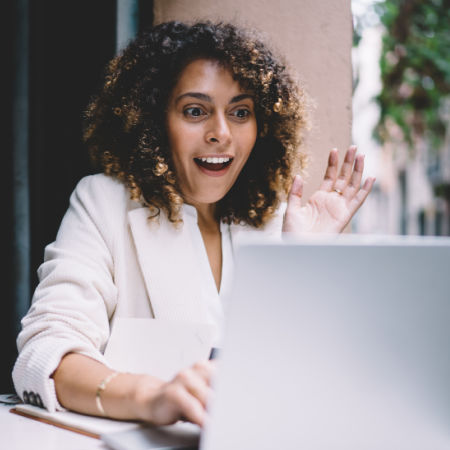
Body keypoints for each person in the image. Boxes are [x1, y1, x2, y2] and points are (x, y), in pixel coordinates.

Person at [12, 21, 374, 427]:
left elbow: (304, 379)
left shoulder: (274, 222)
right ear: (155, 121)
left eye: (240, 112)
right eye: (195, 111)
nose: (221, 133)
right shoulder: (103, 202)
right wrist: (152, 396)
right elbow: (44, 354)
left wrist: (304, 263)